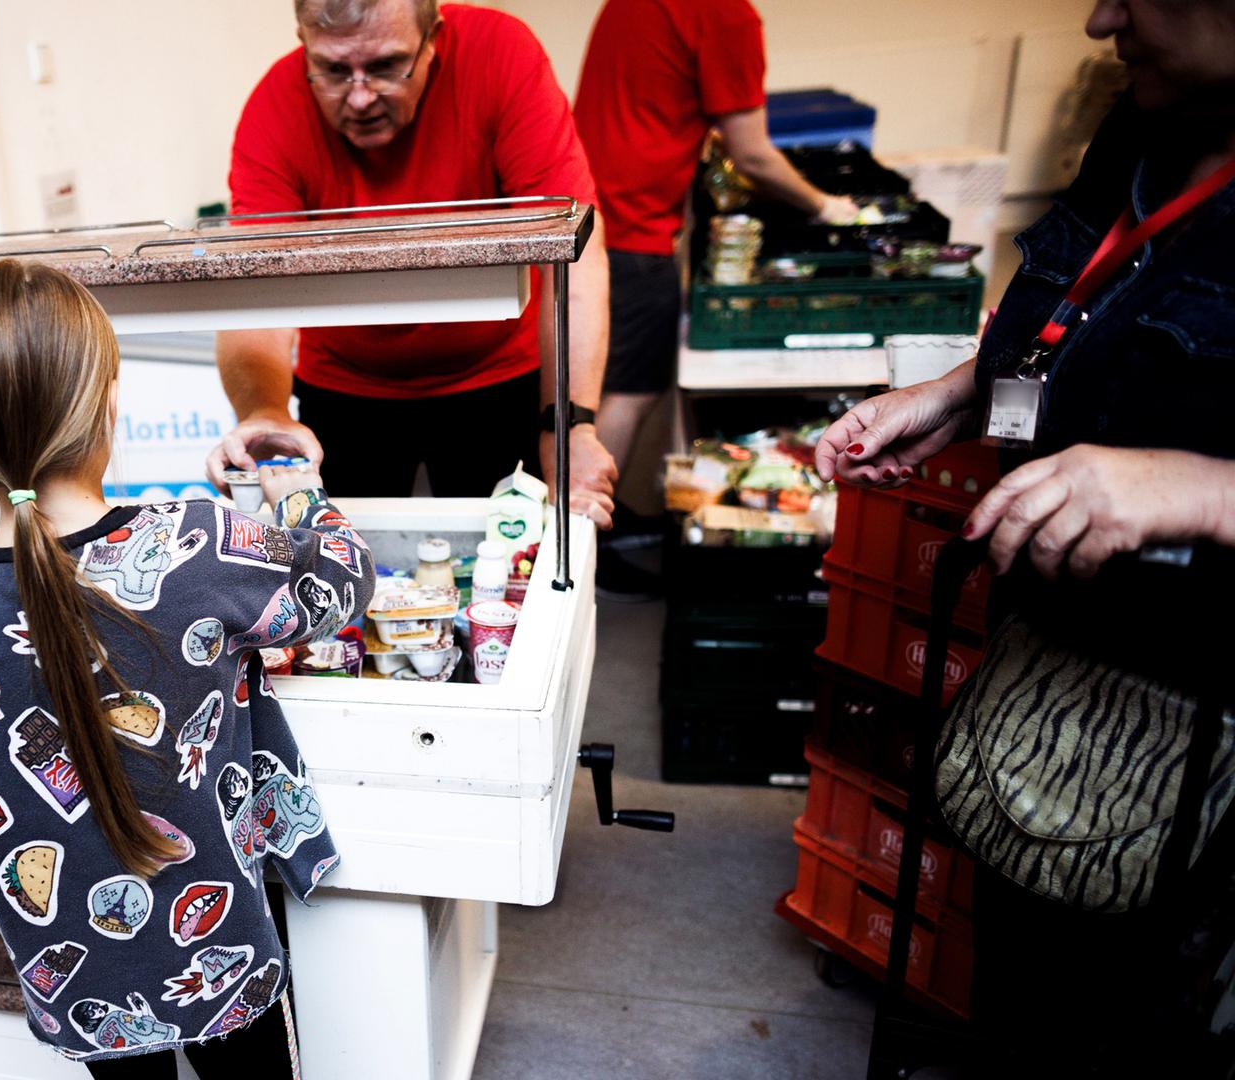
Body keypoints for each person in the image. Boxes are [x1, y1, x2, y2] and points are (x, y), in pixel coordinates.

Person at [815, 1, 1235, 1071]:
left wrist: (1204, 489)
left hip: (1207, 753)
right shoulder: (1146, 129)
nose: (1102, 20)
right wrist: (953, 400)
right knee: (1036, 1003)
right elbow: (1061, 338)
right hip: (1053, 698)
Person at [0, 259, 376, 1077]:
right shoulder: (195, 544)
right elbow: (340, 580)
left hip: (78, 984)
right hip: (225, 960)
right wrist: (297, 491)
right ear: (109, 402)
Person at [210, 0, 619, 525]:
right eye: (334, 71)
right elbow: (254, 292)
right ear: (304, 41)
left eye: (386, 66)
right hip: (346, 387)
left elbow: (574, 255)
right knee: (343, 573)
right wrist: (266, 411)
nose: (359, 98)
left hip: (496, 378)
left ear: (432, 40)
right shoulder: (275, 106)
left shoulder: (500, 56)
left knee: (513, 564)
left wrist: (570, 426)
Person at [573, 0, 860, 594]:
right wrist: (827, 206)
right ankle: (583, 548)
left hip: (590, 204)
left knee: (615, 384)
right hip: (631, 227)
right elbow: (752, 154)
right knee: (628, 389)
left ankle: (605, 520)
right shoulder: (724, 13)